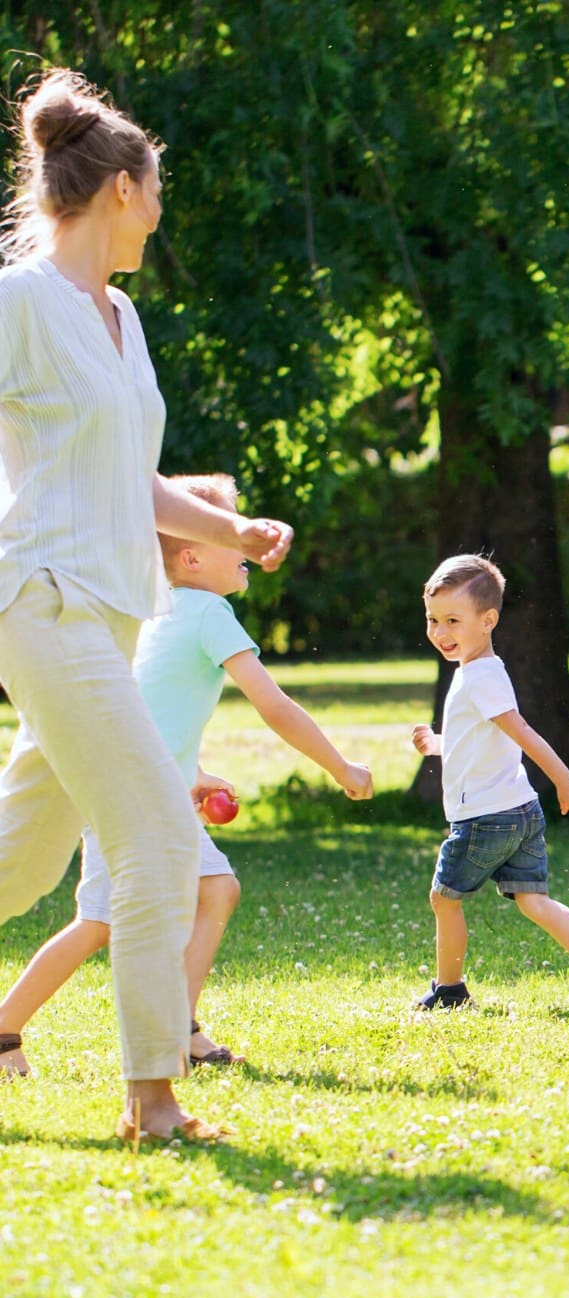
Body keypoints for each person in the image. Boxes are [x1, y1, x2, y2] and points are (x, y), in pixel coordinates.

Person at [0, 69, 295, 1141]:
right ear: (122, 187)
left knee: (25, 859)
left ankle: (152, 1093)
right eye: (156, 189)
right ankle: (153, 1099)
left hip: (110, 614)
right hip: (42, 602)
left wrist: (234, 532)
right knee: (160, 843)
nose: (160, 211)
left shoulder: (119, 316)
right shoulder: (20, 301)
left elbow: (136, 474)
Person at [0, 472, 373, 1079]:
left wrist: (189, 773)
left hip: (143, 787)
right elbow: (273, 705)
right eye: (232, 532)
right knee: (100, 922)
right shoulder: (209, 611)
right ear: (194, 554)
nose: (246, 548)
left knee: (215, 889)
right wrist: (340, 765)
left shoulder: (154, 612)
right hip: (126, 795)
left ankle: (181, 1025)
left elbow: (149, 709)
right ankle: (8, 1025)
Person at [411, 553, 569, 1011]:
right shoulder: (482, 671)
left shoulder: (479, 677)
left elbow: (522, 733)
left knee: (444, 899)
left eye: (453, 620)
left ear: (488, 620)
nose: (440, 632)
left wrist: (566, 780)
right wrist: (437, 743)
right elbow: (478, 737)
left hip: (484, 817)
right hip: (522, 812)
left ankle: (449, 990)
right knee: (533, 900)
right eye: (433, 620)